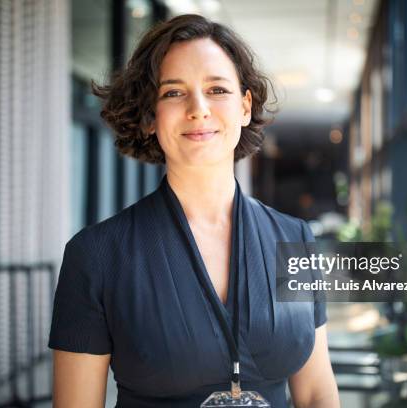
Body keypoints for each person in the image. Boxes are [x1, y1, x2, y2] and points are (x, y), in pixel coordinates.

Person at [48, 14, 340, 408]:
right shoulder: (97, 255)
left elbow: (318, 391)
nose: (198, 108)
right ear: (150, 117)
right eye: (173, 93)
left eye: (217, 89)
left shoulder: (295, 240)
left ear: (245, 106)